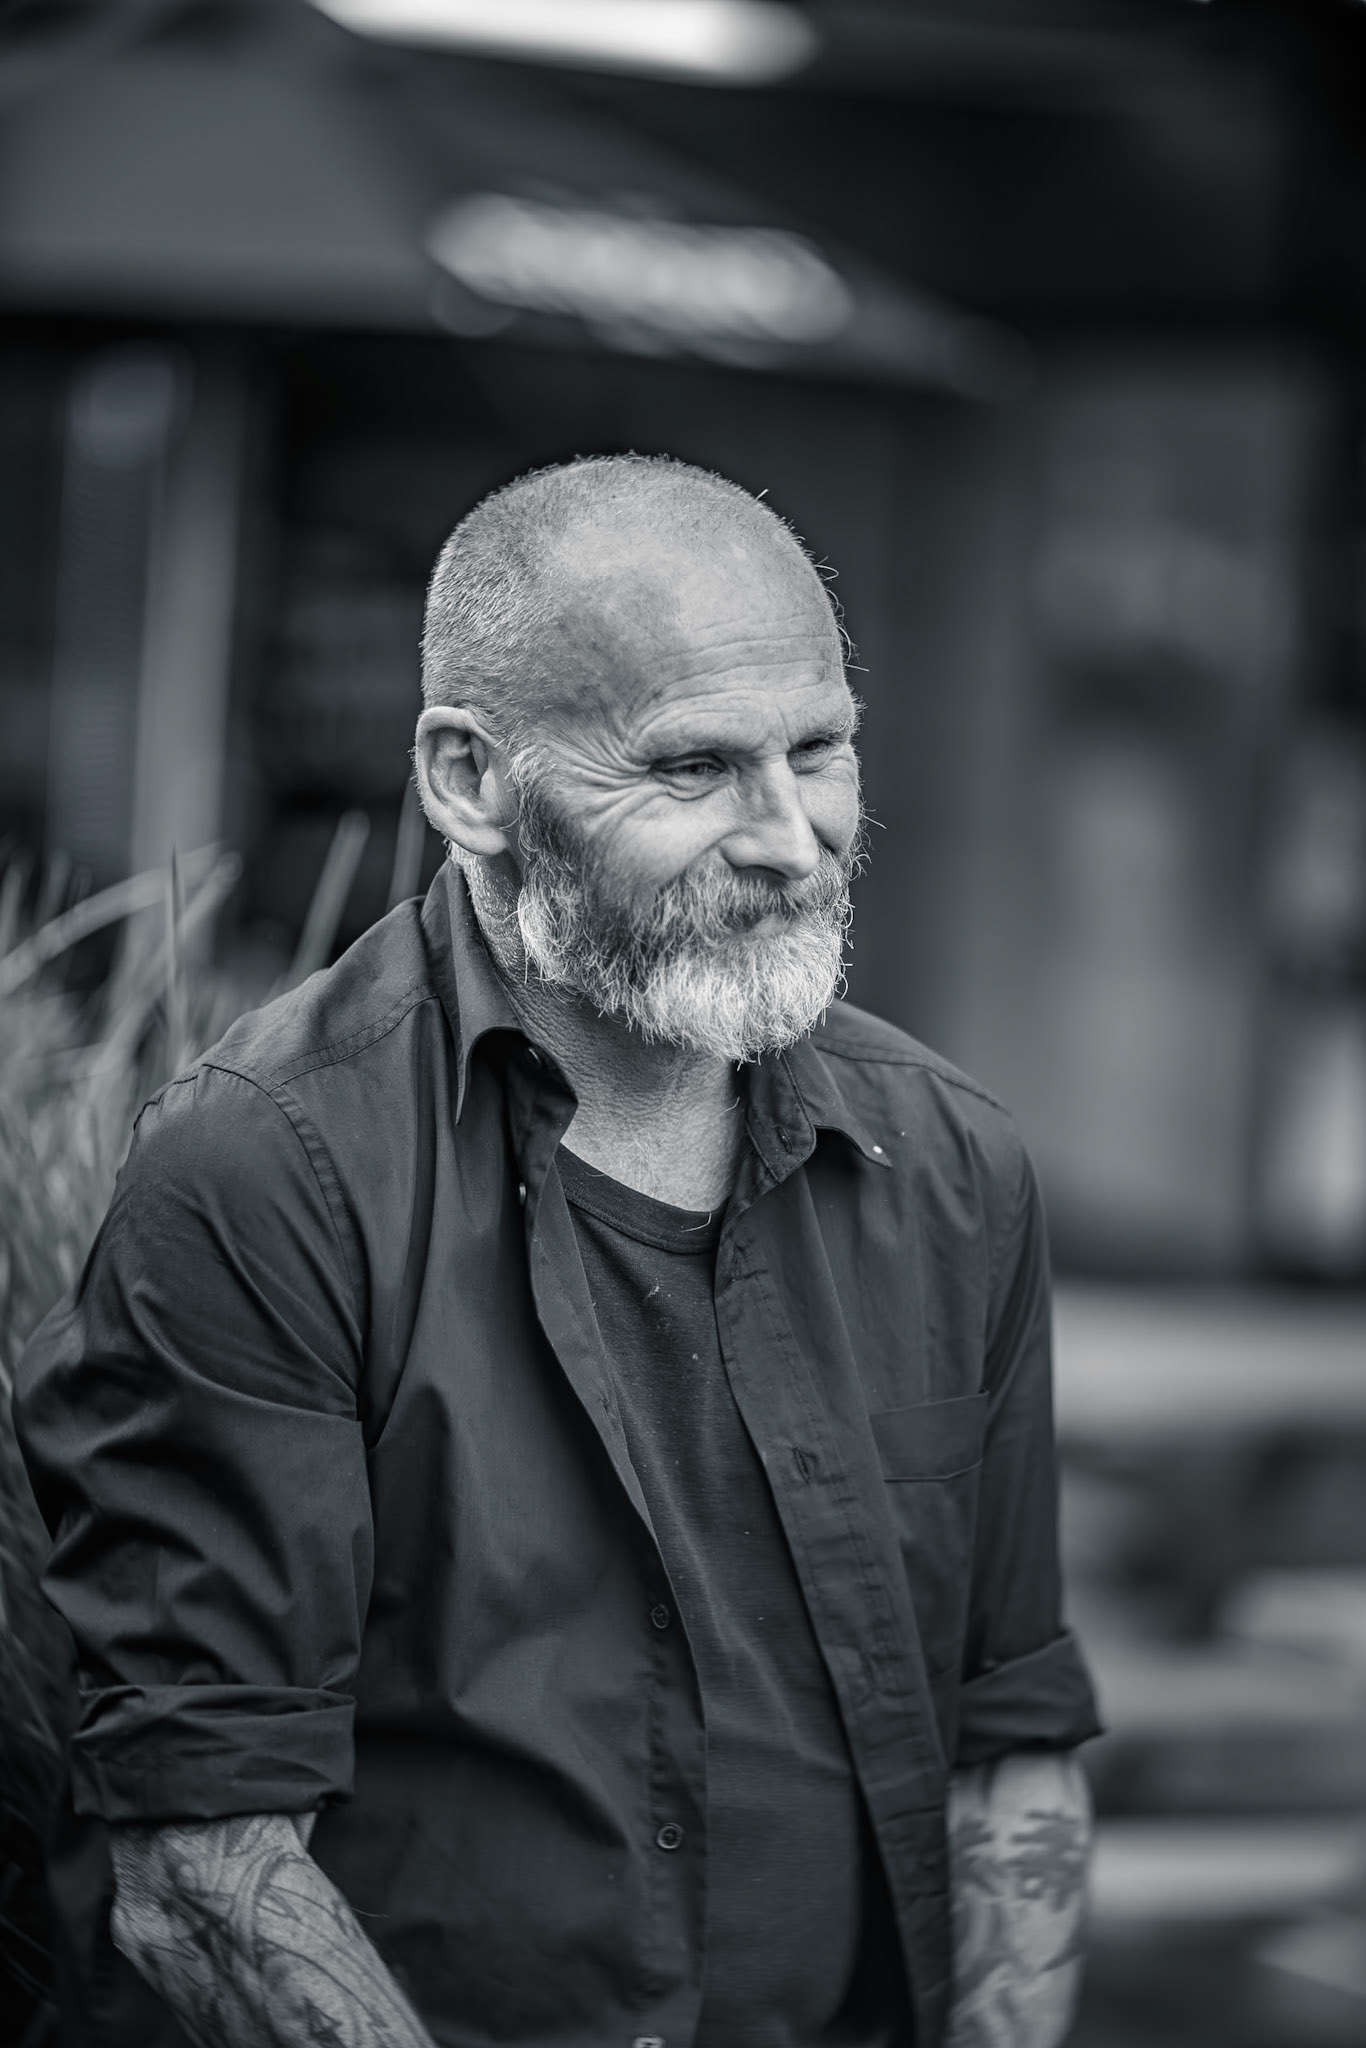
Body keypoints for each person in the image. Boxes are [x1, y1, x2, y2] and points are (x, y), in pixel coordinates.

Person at [17, 454, 1101, 2048]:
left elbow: (1010, 1739)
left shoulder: (948, 1165)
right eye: (691, 770)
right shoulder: (265, 1172)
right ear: (468, 781)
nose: (790, 840)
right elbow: (201, 1857)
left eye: (820, 752)